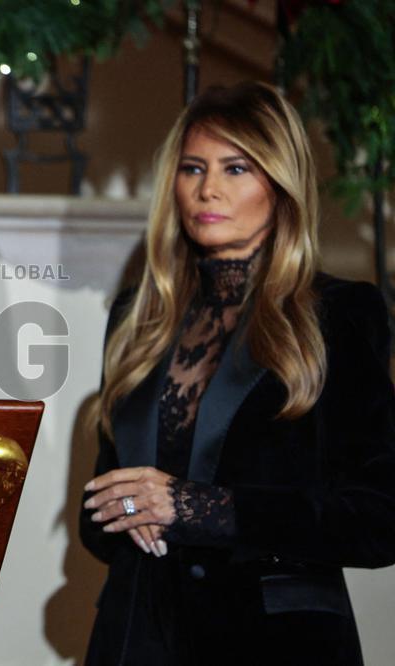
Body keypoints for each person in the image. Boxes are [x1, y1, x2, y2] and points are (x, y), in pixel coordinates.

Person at [79, 81, 395, 665]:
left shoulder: (338, 315)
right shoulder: (138, 319)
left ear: (280, 185)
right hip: (138, 635)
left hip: (276, 643)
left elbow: (379, 518)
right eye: (193, 167)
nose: (208, 189)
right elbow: (98, 518)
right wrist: (128, 509)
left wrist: (199, 508)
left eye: (237, 168)